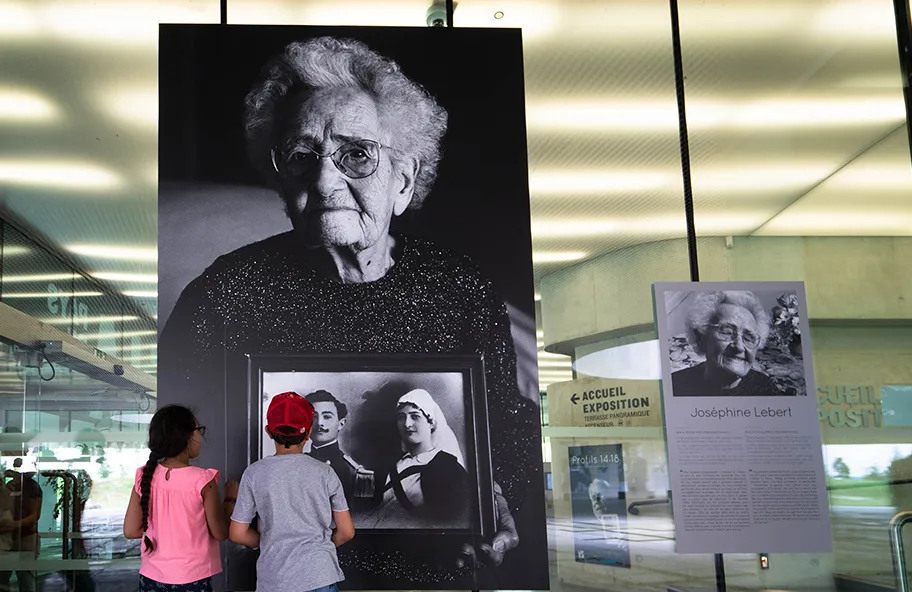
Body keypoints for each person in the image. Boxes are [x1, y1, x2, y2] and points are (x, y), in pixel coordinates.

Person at [159, 35, 535, 578]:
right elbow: (174, 445)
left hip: (429, 573)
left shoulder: (459, 286)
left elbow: (506, 423)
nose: (325, 178)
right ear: (282, 181)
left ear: (402, 181)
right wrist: (215, 495)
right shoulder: (226, 292)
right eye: (301, 155)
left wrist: (497, 501)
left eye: (355, 154)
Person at [230, 392, 355, 592]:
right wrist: (318, 549)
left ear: (269, 432)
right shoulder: (325, 473)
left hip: (275, 579)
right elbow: (347, 532)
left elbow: (237, 534)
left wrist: (268, 542)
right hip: (320, 574)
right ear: (308, 433)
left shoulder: (254, 473)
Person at [123, 405, 236, 592]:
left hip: (151, 577)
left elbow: (130, 531)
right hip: (192, 578)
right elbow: (221, 533)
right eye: (198, 430)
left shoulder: (143, 477)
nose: (200, 436)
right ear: (187, 437)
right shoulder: (203, 480)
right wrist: (230, 500)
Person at [362, 389, 469, 529]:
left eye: (415, 416)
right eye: (401, 417)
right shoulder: (391, 466)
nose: (407, 424)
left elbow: (452, 521)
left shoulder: (447, 467)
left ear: (430, 422)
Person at [671, 291, 789, 397]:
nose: (739, 346)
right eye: (727, 332)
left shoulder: (766, 390)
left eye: (748, 338)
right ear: (701, 338)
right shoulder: (674, 386)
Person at [305, 390, 371, 506]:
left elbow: (364, 520)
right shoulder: (297, 464)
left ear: (341, 424)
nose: (319, 423)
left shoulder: (357, 474)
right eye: (313, 417)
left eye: (327, 417)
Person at [0, 428, 41, 592]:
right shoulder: (7, 482)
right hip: (5, 538)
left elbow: (34, 515)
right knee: (2, 579)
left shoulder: (30, 485)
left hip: (24, 538)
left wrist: (14, 524)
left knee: (26, 580)